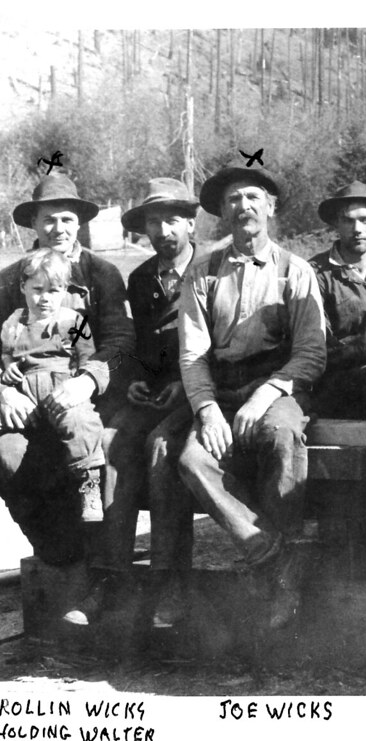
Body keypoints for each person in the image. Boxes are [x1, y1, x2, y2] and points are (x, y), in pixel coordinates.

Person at [176, 163, 326, 630]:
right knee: (192, 459)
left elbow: (311, 353)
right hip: (221, 387)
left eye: (253, 198)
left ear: (271, 207)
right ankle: (270, 553)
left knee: (282, 434)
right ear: (222, 212)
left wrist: (265, 396)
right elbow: (193, 353)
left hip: (277, 383)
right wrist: (206, 411)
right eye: (234, 200)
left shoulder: (295, 271)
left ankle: (282, 578)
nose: (244, 207)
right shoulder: (203, 273)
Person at [0, 174, 134, 622]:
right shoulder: (12, 280)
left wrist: (88, 380)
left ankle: (104, 579)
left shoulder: (100, 274)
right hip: (23, 398)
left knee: (102, 448)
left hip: (85, 397)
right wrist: (1, 390)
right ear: (33, 224)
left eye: (67, 219)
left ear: (79, 223)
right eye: (48, 219)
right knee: (8, 454)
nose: (59, 228)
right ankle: (61, 561)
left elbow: (118, 342)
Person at [93, 178, 200, 629]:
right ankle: (110, 575)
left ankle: (169, 580)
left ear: (192, 223)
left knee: (161, 447)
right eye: (154, 222)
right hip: (156, 390)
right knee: (114, 438)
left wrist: (185, 384)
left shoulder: (212, 269)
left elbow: (218, 342)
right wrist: (134, 380)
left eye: (172, 219)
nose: (163, 230)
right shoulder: (141, 278)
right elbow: (138, 346)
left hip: (201, 390)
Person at [0, 249, 105, 518]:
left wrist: (82, 382)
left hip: (61, 389)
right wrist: (9, 366)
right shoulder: (14, 321)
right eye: (37, 289)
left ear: (65, 290)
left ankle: (89, 484)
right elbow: (6, 351)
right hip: (26, 393)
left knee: (81, 423)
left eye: (54, 290)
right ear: (23, 286)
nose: (45, 298)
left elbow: (87, 355)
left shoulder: (74, 320)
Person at [308, 181, 366, 421]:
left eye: (365, 220)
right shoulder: (316, 273)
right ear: (336, 225)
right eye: (348, 220)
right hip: (338, 383)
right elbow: (319, 343)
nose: (357, 229)